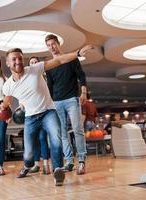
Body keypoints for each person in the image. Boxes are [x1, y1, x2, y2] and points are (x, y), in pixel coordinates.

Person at [0, 44, 93, 186]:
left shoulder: (35, 69)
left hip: (48, 112)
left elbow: (59, 61)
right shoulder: (7, 86)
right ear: (7, 63)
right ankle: (27, 165)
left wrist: (78, 52)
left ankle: (58, 169)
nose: (18, 61)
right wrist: (4, 111)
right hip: (30, 118)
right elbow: (7, 100)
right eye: (14, 59)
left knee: (56, 140)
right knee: (29, 153)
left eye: (19, 58)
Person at [45, 34, 88, 175]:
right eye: (49, 45)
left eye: (53, 43)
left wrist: (83, 92)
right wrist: (49, 103)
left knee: (77, 129)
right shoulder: (50, 66)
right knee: (62, 133)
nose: (52, 47)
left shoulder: (71, 58)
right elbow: (49, 86)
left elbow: (81, 76)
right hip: (57, 102)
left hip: (72, 100)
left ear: (58, 44)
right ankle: (69, 161)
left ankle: (81, 160)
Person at [27, 56, 51, 175]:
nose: (34, 64)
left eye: (36, 62)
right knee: (35, 140)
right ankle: (36, 165)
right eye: (32, 62)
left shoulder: (46, 78)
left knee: (42, 138)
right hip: (32, 113)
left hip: (45, 112)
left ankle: (46, 165)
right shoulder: (28, 79)